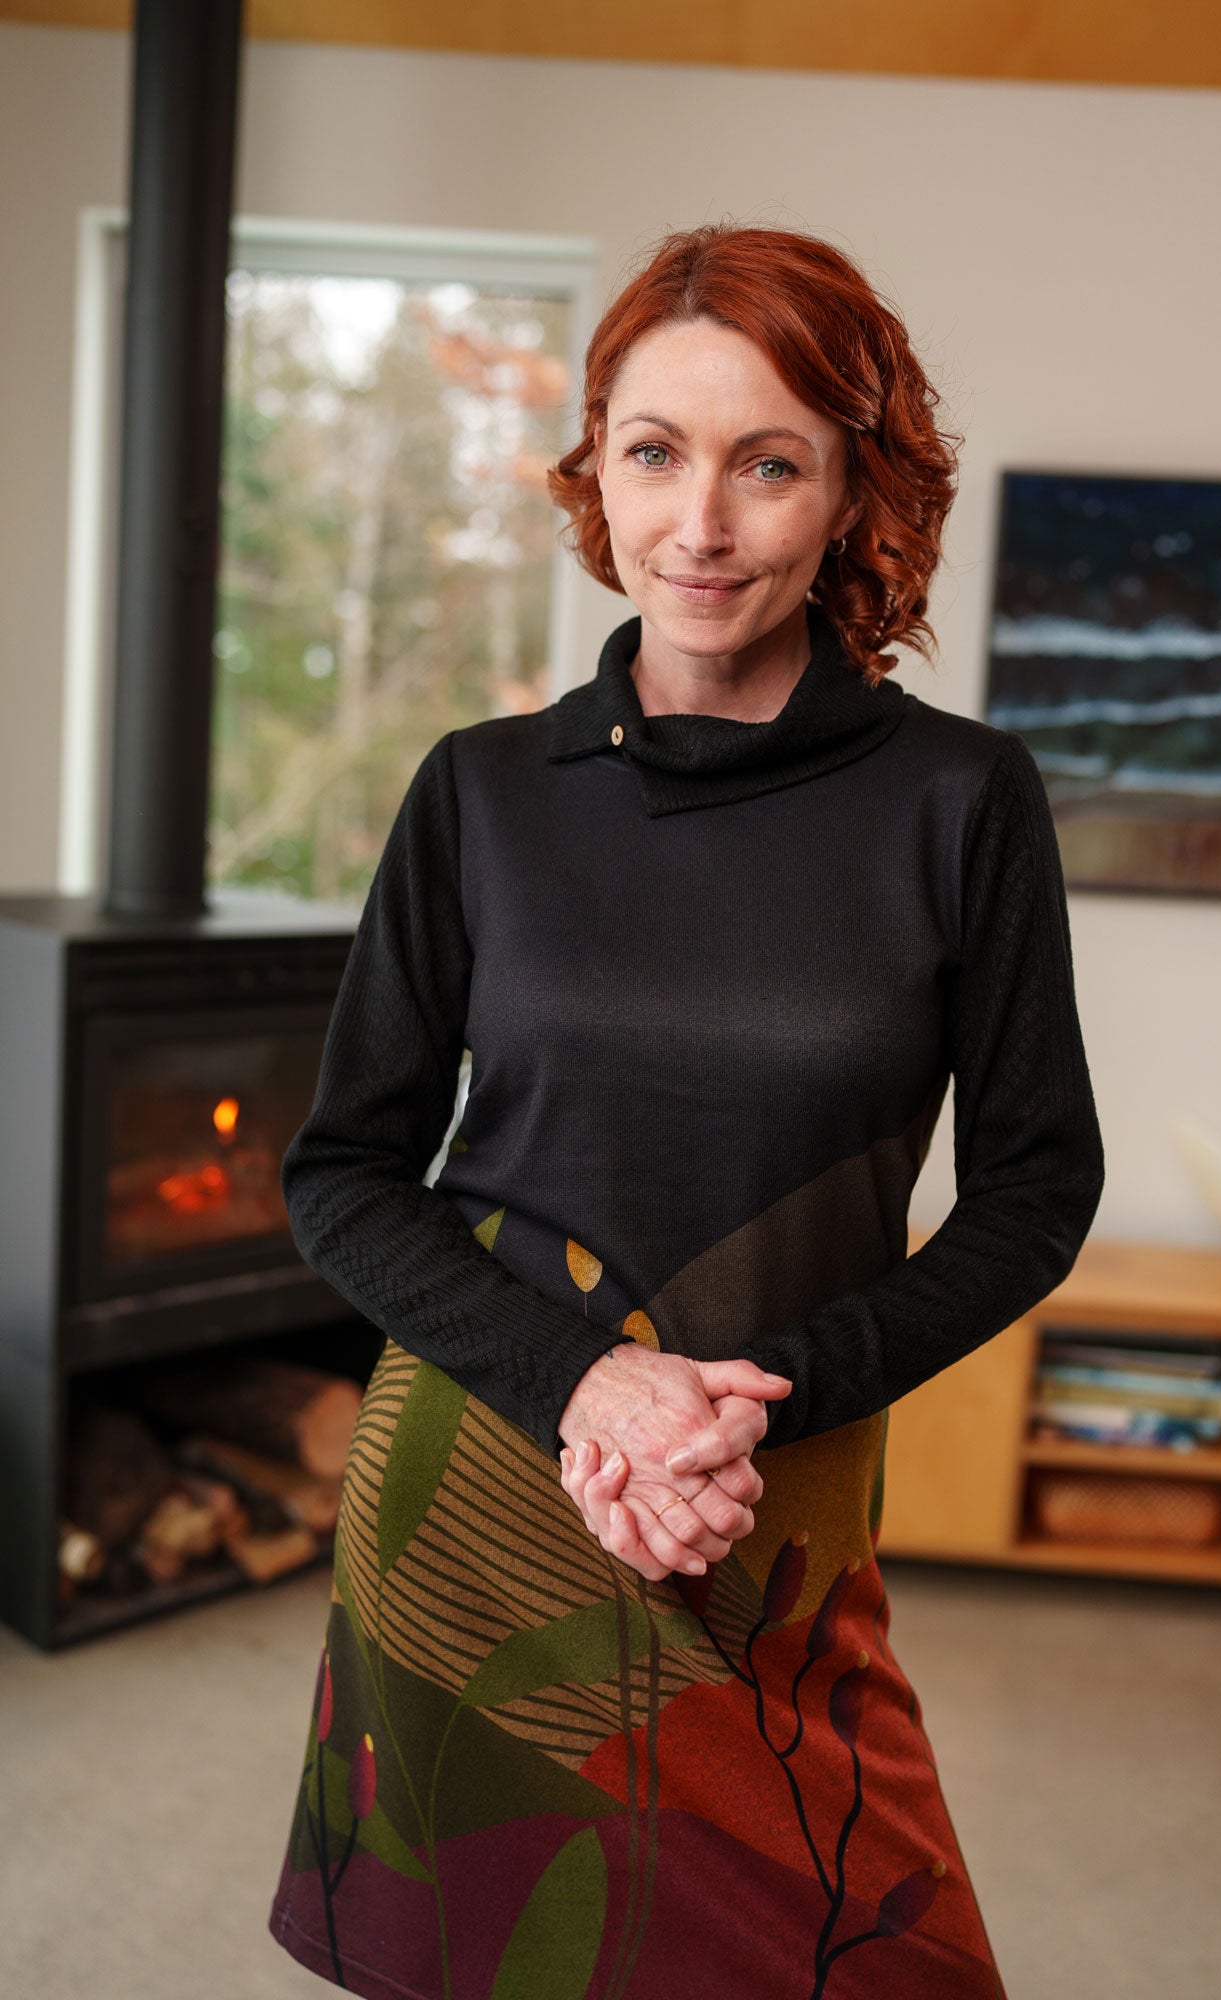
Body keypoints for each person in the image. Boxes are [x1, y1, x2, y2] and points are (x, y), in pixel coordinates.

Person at [267, 222, 1104, 2000]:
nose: (700, 524)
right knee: (503, 1956)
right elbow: (344, 1174)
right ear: (597, 470)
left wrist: (753, 1402)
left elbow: (1038, 1188)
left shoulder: (961, 800)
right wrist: (589, 1386)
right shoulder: (483, 793)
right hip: (489, 1467)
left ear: (851, 492)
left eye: (766, 462)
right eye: (653, 452)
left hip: (766, 1488)